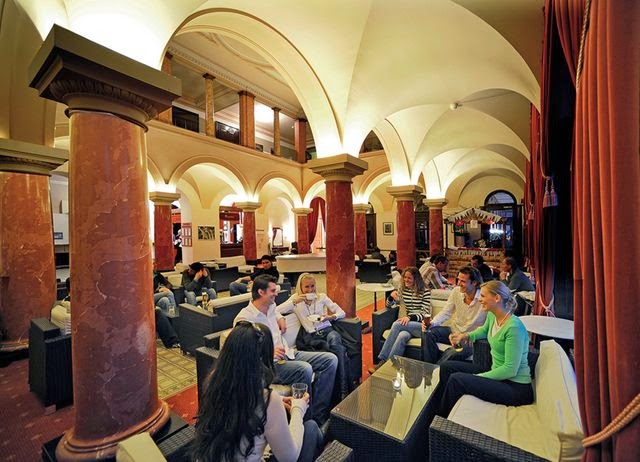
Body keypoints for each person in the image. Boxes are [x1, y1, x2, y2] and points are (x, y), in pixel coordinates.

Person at [191, 321, 323, 462]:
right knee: (311, 428)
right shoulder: (267, 400)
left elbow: (240, 400)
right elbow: (289, 457)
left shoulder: (214, 380)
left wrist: (278, 401)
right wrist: (298, 409)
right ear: (262, 358)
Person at [234, 275, 338, 425]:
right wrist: (267, 353)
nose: (276, 293)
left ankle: (318, 414)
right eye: (273, 291)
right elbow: (241, 352)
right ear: (261, 292)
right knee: (305, 369)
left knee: (330, 360)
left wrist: (280, 318)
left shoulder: (270, 307)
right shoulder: (245, 319)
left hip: (288, 353)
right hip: (269, 365)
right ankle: (306, 421)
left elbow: (276, 312)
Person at [436, 280, 533, 418]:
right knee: (447, 367)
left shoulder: (514, 328)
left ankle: (441, 418)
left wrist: (477, 378)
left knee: (457, 380)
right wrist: (465, 336)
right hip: (497, 372)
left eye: (482, 296)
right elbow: (484, 330)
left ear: (497, 298)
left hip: (515, 387)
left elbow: (510, 370)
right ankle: (439, 404)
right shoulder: (493, 315)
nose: (479, 299)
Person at [277, 273, 349, 398]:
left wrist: (330, 317)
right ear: (300, 287)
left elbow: (341, 312)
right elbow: (276, 310)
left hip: (327, 329)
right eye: (307, 287)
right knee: (336, 351)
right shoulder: (295, 299)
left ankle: (343, 390)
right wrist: (294, 301)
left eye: (312, 286)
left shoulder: (322, 297)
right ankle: (342, 391)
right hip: (311, 336)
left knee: (336, 344)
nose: (310, 290)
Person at [370, 267, 430, 373]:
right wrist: (390, 298)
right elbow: (390, 306)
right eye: (405, 277)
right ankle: (390, 366)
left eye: (409, 278)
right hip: (407, 324)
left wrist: (410, 317)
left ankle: (382, 360)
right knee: (402, 335)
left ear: (416, 279)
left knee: (397, 325)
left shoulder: (425, 291)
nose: (406, 280)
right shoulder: (402, 289)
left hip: (421, 326)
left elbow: (425, 313)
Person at [421, 266, 486, 363]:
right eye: (458, 279)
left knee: (453, 352)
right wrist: (432, 323)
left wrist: (468, 336)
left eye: (463, 281)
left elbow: (488, 327)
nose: (458, 283)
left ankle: (435, 370)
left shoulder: (484, 299)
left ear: (474, 283)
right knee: (428, 332)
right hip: (454, 331)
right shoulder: (456, 291)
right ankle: (428, 366)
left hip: (470, 339)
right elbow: (446, 312)